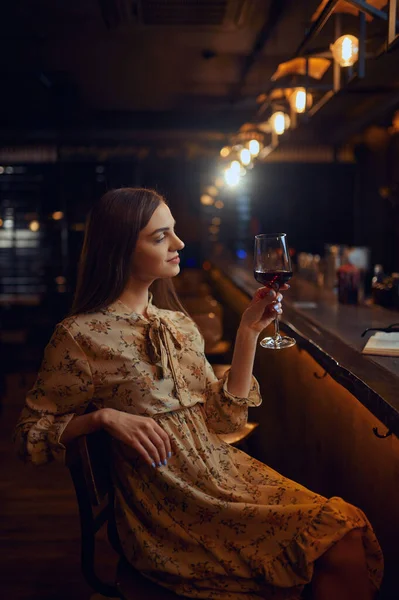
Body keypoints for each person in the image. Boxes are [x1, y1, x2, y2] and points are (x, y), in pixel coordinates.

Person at [14, 188, 383, 600]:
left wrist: (247, 332)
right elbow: (30, 435)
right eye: (160, 237)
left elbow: (223, 421)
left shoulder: (178, 324)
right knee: (338, 538)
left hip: (221, 475)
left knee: (344, 529)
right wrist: (103, 418)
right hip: (173, 508)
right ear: (119, 248)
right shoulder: (79, 336)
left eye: (173, 232)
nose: (180, 244)